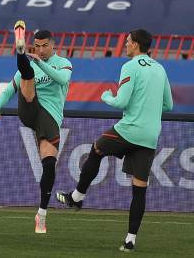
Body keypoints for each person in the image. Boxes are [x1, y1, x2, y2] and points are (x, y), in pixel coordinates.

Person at [56, 29, 173, 252]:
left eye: (128, 42)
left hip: (129, 130)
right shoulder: (160, 68)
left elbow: (121, 102)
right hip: (149, 136)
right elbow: (168, 105)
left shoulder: (129, 66)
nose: (125, 45)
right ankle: (130, 240)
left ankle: (77, 197)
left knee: (97, 149)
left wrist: (106, 96)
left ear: (136, 45)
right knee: (139, 189)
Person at [0, 21, 72, 234]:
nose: (41, 50)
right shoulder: (33, 64)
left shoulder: (64, 63)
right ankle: (19, 52)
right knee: (27, 76)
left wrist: (40, 63)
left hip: (49, 118)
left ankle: (41, 215)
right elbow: (9, 90)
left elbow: (61, 79)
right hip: (29, 109)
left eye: (44, 46)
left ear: (53, 46)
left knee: (50, 165)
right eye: (37, 46)